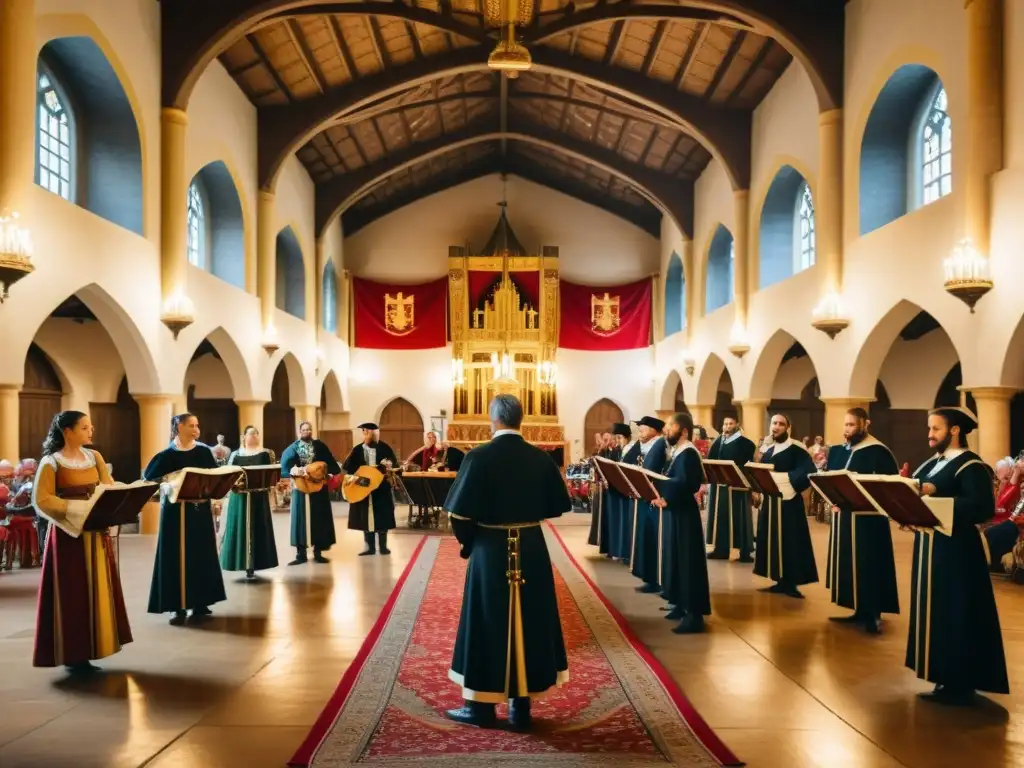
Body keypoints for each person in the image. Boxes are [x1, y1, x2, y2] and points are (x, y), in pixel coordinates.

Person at [444, 394, 571, 729]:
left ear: (494, 420)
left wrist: (470, 543)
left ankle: (480, 708)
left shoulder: (478, 457)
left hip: (490, 547)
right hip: (530, 546)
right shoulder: (540, 458)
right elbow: (556, 505)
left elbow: (459, 514)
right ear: (521, 420)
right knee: (532, 620)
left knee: (486, 621)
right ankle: (521, 708)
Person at [908, 406, 1008, 704]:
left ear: (954, 431)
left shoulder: (971, 465)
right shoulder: (933, 463)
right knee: (935, 610)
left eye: (935, 429)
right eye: (929, 428)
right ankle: (941, 675)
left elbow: (981, 507)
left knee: (955, 611)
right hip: (930, 546)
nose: (929, 434)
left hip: (958, 551)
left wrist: (934, 496)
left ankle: (960, 680)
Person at [31, 411, 132, 671]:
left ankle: (97, 644)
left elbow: (106, 487)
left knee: (97, 591)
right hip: (68, 537)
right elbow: (42, 501)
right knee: (72, 594)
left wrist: (125, 494)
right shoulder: (51, 463)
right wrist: (77, 510)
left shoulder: (94, 457)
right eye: (85, 427)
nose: (91, 430)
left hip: (95, 533)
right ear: (68, 431)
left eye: (91, 426)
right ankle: (73, 653)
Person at [145, 413, 226, 625]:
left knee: (201, 554)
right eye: (191, 425)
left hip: (198, 511)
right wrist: (168, 484)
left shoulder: (203, 452)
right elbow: (149, 481)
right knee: (175, 555)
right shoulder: (165, 456)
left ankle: (201, 601)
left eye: (197, 425)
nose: (196, 429)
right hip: (174, 513)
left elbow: (214, 476)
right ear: (179, 427)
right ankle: (176, 604)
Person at [824, 408, 900, 634]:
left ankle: (873, 613)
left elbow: (891, 484)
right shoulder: (838, 451)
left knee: (870, 564)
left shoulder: (878, 451)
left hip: (869, 520)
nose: (847, 430)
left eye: (852, 425)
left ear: (865, 424)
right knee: (850, 564)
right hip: (845, 518)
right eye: (845, 425)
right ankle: (858, 608)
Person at [652, 412, 711, 634]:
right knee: (675, 557)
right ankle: (678, 602)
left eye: (671, 426)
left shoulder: (688, 453)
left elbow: (687, 483)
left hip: (685, 514)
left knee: (688, 561)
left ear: (684, 431)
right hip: (675, 511)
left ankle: (694, 615)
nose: (666, 429)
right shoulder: (676, 451)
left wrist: (667, 498)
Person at [753, 413, 819, 598]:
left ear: (788, 428)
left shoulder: (796, 448)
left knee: (790, 542)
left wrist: (785, 479)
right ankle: (779, 579)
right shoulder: (768, 450)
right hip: (771, 502)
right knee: (772, 540)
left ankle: (791, 582)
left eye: (781, 424)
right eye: (774, 423)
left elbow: (808, 471)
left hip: (789, 504)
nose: (776, 427)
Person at [220, 426, 279, 579]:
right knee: (239, 528)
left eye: (256, 433)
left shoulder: (266, 454)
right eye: (250, 433)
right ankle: (240, 563)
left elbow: (272, 476)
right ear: (243, 437)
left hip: (259, 498)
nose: (253, 436)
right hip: (239, 497)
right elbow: (227, 474)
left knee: (258, 528)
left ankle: (256, 564)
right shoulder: (235, 455)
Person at [281, 421, 341, 564]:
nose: (306, 432)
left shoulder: (320, 446)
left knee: (319, 518)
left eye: (308, 430)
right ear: (299, 432)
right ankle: (300, 554)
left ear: (311, 431)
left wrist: (328, 474)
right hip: (300, 487)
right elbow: (285, 466)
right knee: (300, 519)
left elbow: (332, 465)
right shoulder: (292, 448)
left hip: (318, 487)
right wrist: (294, 470)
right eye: (303, 430)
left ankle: (318, 552)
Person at [342, 422, 398, 556]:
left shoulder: (385, 448)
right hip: (363, 488)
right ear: (364, 433)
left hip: (381, 488)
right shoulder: (357, 450)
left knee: (382, 515)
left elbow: (394, 464)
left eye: (374, 433)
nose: (371, 435)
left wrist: (387, 466)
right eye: (368, 433)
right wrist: (358, 478)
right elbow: (348, 467)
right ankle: (370, 547)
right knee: (365, 517)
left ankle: (383, 547)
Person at [706, 416, 757, 562]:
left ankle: (744, 551)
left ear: (737, 425)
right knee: (720, 517)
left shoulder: (746, 444)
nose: (727, 426)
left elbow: (748, 465)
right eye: (725, 423)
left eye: (731, 423)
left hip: (737, 487)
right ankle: (720, 550)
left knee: (740, 517)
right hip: (719, 486)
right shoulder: (718, 442)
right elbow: (711, 459)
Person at [628, 416, 667, 594]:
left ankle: (655, 580)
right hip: (647, 497)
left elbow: (649, 472)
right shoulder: (649, 446)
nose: (640, 431)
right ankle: (650, 578)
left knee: (653, 540)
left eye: (643, 428)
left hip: (654, 499)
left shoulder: (659, 445)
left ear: (654, 430)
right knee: (647, 539)